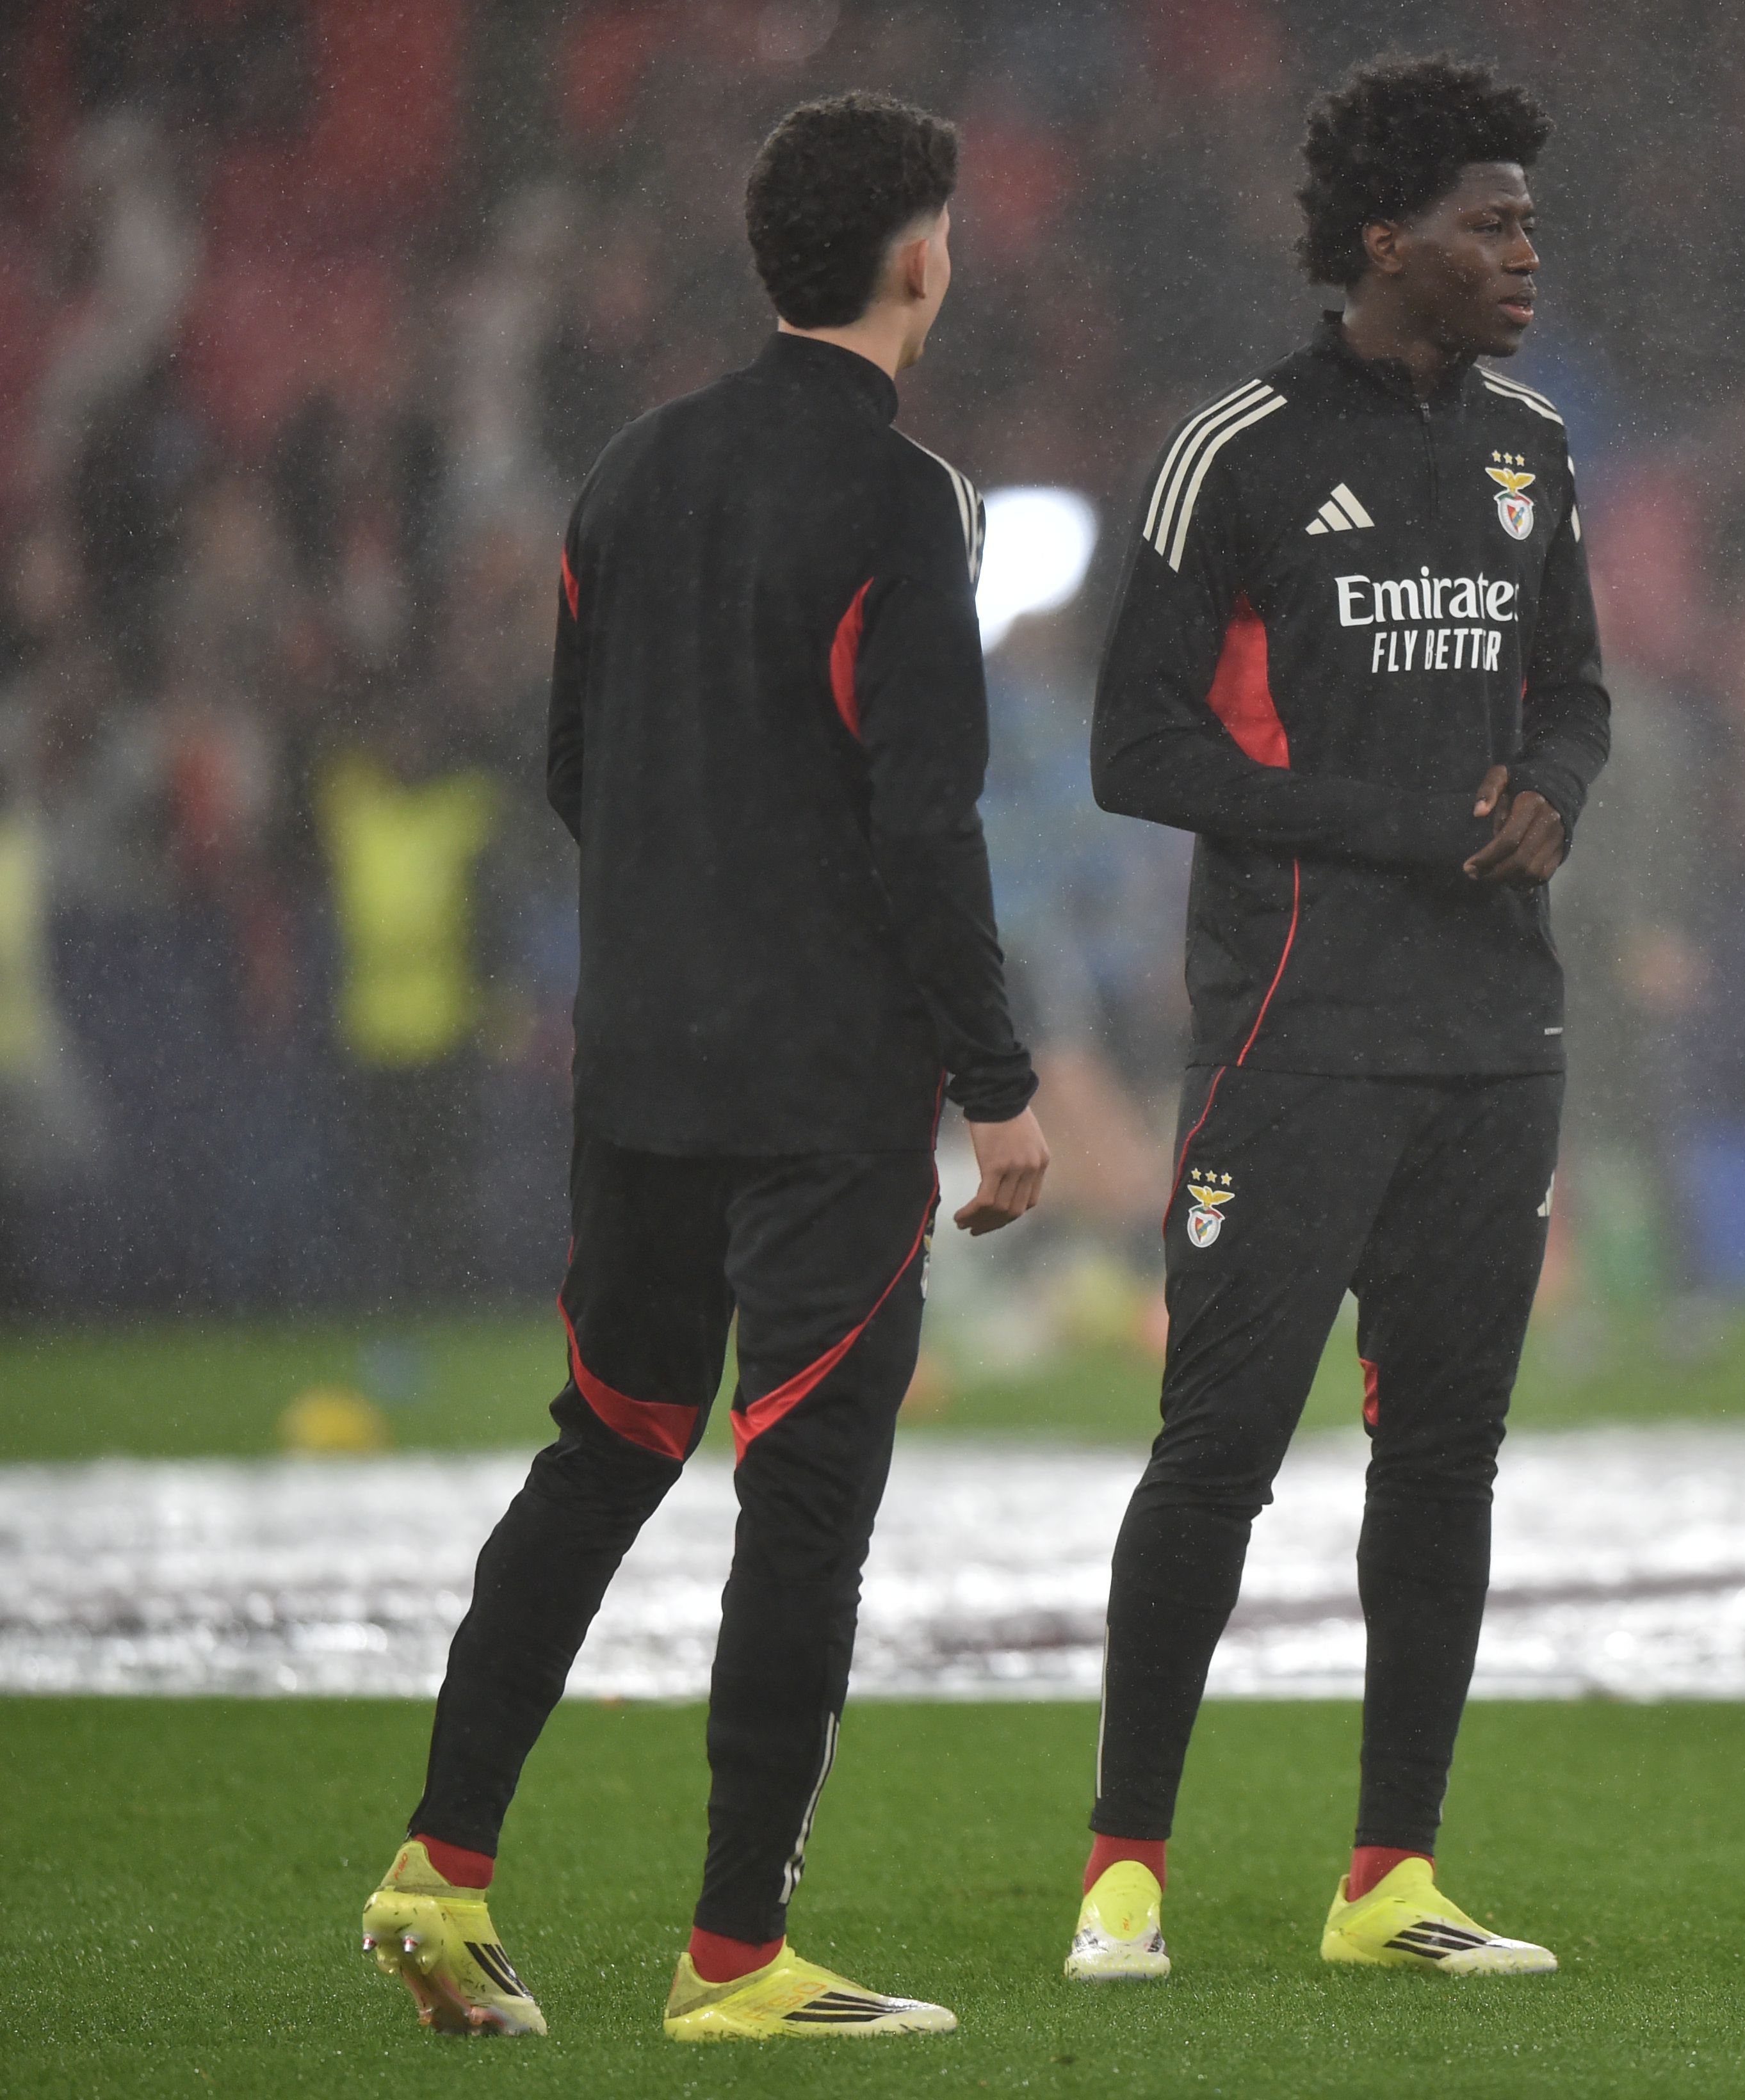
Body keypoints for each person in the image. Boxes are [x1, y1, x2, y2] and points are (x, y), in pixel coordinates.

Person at [357, 92, 1048, 2044]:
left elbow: (577, 774)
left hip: (638, 1065)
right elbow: (929, 822)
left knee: (607, 1449)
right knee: (804, 1491)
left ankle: (444, 1868)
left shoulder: (630, 474)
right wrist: (994, 1084)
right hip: (822, 1088)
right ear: (919, 257)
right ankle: (738, 1958)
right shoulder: (907, 503)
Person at [1066, 53, 1606, 1982]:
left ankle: (1393, 1877)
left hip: (1492, 1040)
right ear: (1390, 242)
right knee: (1216, 1452)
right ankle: (1125, 1866)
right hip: (1295, 1030)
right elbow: (1132, 742)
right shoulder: (1243, 452)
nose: (1529, 250)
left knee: (1445, 1457)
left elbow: (1577, 695)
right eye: (1494, 220)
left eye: (1529, 217)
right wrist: (1396, 831)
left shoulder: (1535, 446)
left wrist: (1555, 788)